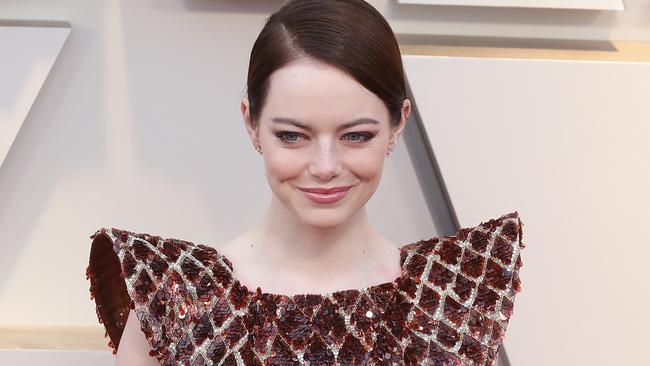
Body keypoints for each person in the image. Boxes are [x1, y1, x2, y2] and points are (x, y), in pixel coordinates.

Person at [85, 1, 524, 365]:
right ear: (251, 123)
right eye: (293, 135)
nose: (326, 166)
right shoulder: (172, 299)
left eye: (356, 135)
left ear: (397, 125)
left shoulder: (453, 302)